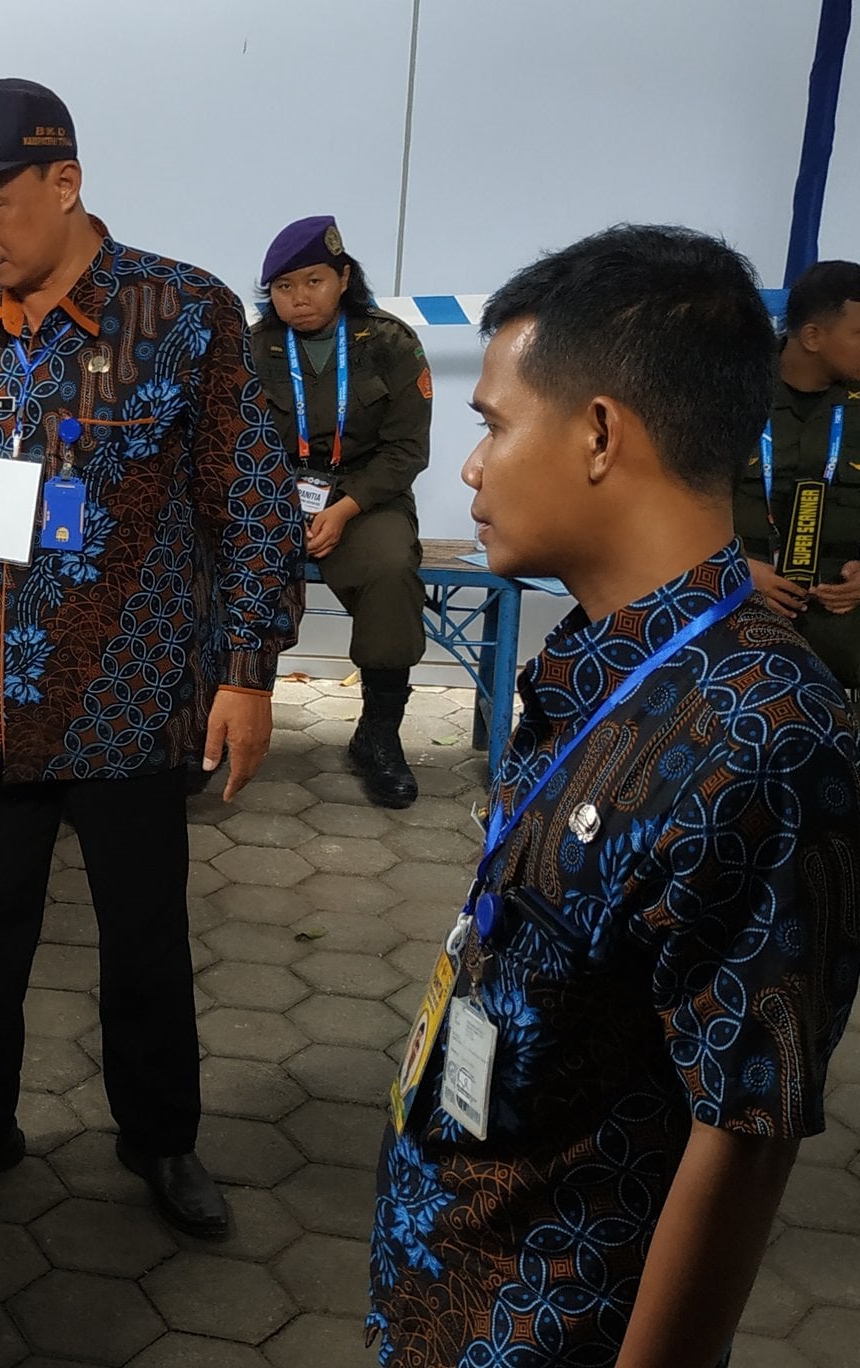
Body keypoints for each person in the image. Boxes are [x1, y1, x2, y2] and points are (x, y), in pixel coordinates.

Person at [369, 225, 859, 1367]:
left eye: (493, 424)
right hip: (459, 1278)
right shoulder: (609, 657)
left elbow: (742, 1136)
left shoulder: (763, 738)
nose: (471, 468)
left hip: (554, 1329)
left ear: (598, 433)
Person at [0, 79, 304, 1236]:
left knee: (143, 943)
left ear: (63, 182)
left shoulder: (184, 315)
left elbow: (249, 503)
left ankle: (160, 1142)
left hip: (132, 698)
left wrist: (246, 674)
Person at [250, 216, 433, 807]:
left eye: (313, 281)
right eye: (283, 287)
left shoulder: (390, 343)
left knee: (389, 568)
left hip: (365, 497)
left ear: (343, 278)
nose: (298, 298)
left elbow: (407, 449)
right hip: (272, 495)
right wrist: (274, 504)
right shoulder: (253, 347)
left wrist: (345, 509)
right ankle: (216, 719)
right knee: (211, 565)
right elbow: (235, 442)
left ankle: (378, 735)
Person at [732, 257, 860, 689]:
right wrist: (735, 569)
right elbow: (672, 503)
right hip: (740, 607)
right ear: (812, 337)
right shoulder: (728, 393)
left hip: (844, 623)